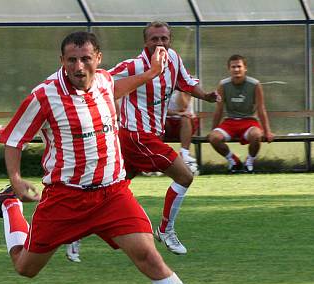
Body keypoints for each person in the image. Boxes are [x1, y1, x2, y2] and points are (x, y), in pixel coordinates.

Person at [0, 31, 226, 284]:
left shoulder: (105, 81)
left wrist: (150, 74)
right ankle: (9, 205)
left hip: (113, 195)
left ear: (98, 59)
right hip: (65, 198)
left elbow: (118, 86)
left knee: (149, 257)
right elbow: (14, 139)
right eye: (71, 60)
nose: (79, 67)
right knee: (26, 268)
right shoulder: (44, 96)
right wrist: (15, 180)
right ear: (62, 62)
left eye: (85, 59)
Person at [108, 21, 220, 255]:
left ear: (170, 40)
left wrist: (207, 96)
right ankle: (166, 229)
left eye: (164, 39)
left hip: (147, 135)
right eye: (154, 39)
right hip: (138, 136)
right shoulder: (135, 66)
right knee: (185, 176)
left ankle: (75, 234)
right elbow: (102, 81)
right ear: (145, 42)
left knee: (111, 188)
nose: (160, 43)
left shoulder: (173, 59)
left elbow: (187, 84)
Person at [208, 54, 274, 173]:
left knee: (256, 135)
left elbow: (261, 108)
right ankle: (234, 161)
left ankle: (249, 163)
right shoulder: (223, 85)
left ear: (245, 68)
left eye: (239, 66)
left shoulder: (255, 84)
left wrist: (267, 131)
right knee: (214, 138)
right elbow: (219, 109)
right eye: (233, 67)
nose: (236, 69)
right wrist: (213, 129)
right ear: (229, 69)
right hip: (230, 122)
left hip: (249, 121)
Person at [164, 90, 200, 175]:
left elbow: (183, 107)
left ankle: (184, 154)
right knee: (159, 120)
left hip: (186, 123)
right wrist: (177, 113)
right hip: (168, 123)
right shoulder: (161, 84)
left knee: (185, 118)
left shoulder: (186, 85)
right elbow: (160, 109)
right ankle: (157, 156)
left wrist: (180, 90)